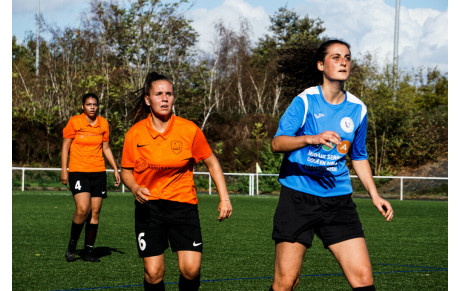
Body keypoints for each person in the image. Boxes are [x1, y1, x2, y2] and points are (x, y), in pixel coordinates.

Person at [269, 39, 394, 291]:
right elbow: (277, 143)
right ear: (320, 65)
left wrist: (375, 195)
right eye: (335, 57)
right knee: (286, 282)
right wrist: (310, 138)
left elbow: (358, 156)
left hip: (338, 201)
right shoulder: (305, 101)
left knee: (363, 279)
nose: (343, 62)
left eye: (347, 57)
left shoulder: (358, 109)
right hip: (298, 198)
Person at [120, 72, 232, 291]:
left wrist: (224, 198)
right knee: (153, 274)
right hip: (149, 207)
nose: (164, 99)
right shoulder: (135, 134)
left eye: (169, 94)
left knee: (190, 269)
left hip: (183, 206)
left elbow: (212, 163)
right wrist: (134, 186)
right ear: (147, 99)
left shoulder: (189, 130)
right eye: (159, 94)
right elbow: (126, 172)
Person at [61, 92, 121, 262]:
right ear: (83, 106)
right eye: (89, 104)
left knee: (95, 212)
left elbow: (106, 148)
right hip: (78, 171)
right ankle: (72, 245)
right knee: (83, 209)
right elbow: (65, 147)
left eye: (94, 105)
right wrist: (64, 170)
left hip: (98, 172)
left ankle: (88, 251)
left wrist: (115, 169)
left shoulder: (103, 123)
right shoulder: (75, 122)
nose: (92, 107)